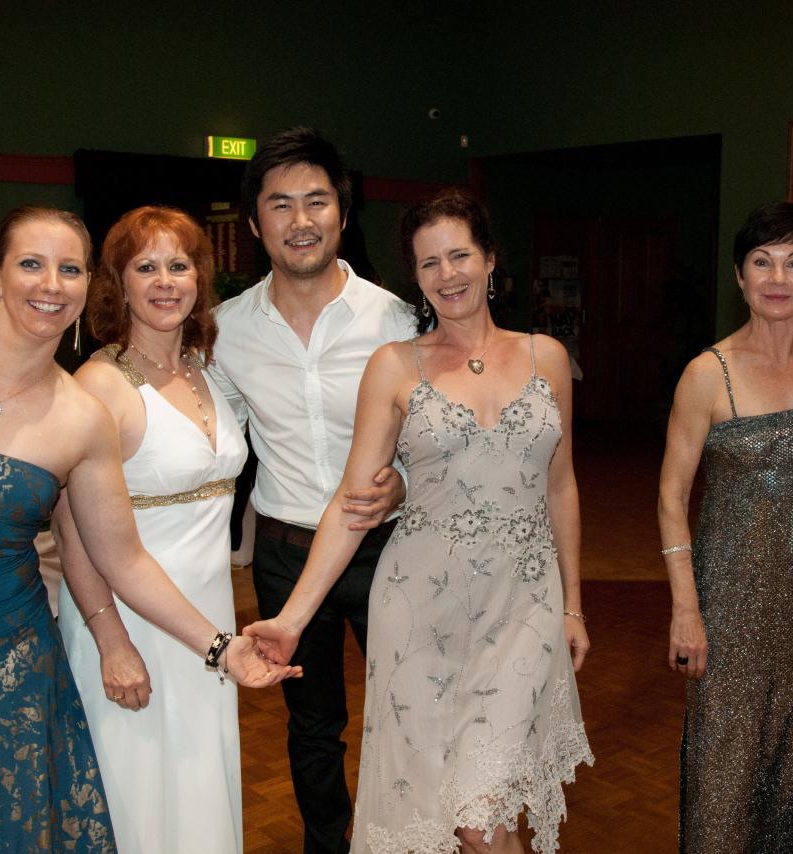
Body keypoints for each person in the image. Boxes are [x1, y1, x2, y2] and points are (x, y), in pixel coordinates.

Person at [0, 205, 298, 851]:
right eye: (31, 263)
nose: (50, 284)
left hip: (0, 667)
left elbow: (122, 558)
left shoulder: (81, 417)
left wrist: (221, 648)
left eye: (69, 269)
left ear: (88, 286)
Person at [246, 188, 594, 854]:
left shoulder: (545, 357)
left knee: (481, 813)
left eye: (459, 255)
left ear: (490, 259)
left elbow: (561, 485)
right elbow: (352, 505)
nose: (447, 274)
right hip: (421, 614)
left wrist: (573, 604)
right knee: (448, 812)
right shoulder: (393, 366)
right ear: (416, 277)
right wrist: (291, 620)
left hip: (523, 607)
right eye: (429, 263)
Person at [207, 127, 417, 853]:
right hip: (286, 554)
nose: (300, 220)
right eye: (280, 204)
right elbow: (213, 440)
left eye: (316, 201)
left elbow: (437, 435)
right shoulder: (226, 331)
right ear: (254, 222)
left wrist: (403, 485)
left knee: (410, 712)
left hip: (390, 550)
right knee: (313, 727)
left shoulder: (397, 320)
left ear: (343, 213)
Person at [51, 206, 250, 852]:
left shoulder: (205, 369)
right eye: (146, 267)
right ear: (119, 283)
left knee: (197, 790)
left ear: (199, 277)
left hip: (208, 619)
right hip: (128, 626)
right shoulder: (100, 385)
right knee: (136, 798)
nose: (166, 282)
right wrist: (111, 642)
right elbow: (71, 533)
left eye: (179, 265)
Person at [658, 201, 793, 853]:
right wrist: (686, 609)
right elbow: (670, 496)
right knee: (728, 761)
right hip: (730, 599)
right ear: (740, 277)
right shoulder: (707, 374)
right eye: (762, 262)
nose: (778, 277)